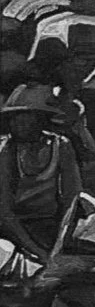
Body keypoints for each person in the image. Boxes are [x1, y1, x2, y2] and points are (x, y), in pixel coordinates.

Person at [0, 84, 82, 268]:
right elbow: (5, 212)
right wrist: (40, 254)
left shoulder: (61, 146)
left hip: (49, 226)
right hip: (14, 231)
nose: (16, 124)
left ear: (41, 119)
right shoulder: (6, 151)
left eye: (24, 117)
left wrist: (58, 248)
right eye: (14, 118)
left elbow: (71, 201)